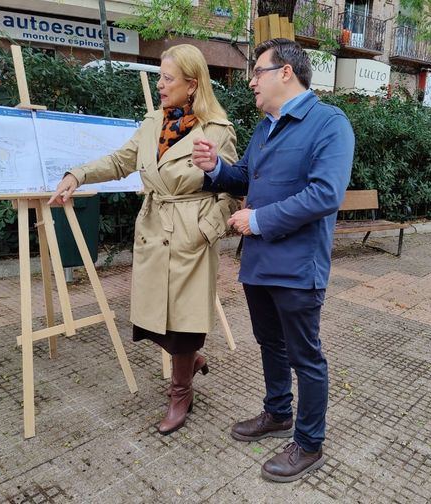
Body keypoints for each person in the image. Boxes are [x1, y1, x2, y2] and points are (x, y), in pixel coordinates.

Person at [48, 44, 239, 435]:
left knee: (183, 322)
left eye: (168, 79)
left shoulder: (218, 129)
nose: (160, 86)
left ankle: (180, 391)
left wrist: (207, 230)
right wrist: (77, 175)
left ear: (192, 84)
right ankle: (193, 360)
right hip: (155, 229)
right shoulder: (154, 123)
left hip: (192, 232)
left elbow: (233, 188)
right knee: (152, 320)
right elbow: (120, 161)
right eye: (160, 78)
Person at [192, 38, 354, 482]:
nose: (250, 82)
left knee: (306, 356)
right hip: (259, 263)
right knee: (270, 344)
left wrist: (258, 219)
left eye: (257, 71)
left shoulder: (329, 123)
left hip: (298, 266)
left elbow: (325, 194)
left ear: (285, 72)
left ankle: (309, 441)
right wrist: (213, 169)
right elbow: (243, 175)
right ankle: (278, 413)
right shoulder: (266, 126)